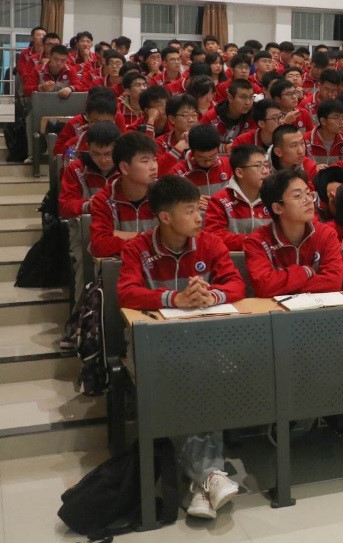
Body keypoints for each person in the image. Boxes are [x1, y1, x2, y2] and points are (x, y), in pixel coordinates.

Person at [115, 175, 244, 521]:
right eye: (190, 211)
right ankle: (211, 475)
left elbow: (236, 283)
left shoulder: (210, 243)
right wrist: (175, 298)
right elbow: (126, 292)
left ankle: (201, 485)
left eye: (198, 209)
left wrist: (211, 295)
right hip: (151, 347)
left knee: (208, 378)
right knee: (181, 381)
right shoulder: (138, 249)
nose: (199, 217)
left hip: (201, 345)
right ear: (165, 217)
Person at [243, 169, 343, 297]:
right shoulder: (257, 242)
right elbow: (263, 286)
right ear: (277, 208)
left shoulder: (326, 234)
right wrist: (305, 272)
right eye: (298, 196)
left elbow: (333, 282)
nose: (309, 200)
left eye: (308, 193)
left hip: (320, 307)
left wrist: (283, 287)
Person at [89, 132, 160, 258]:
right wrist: (147, 237)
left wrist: (121, 235)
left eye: (154, 160)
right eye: (145, 161)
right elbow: (99, 245)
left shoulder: (165, 193)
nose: (154, 167)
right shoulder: (104, 199)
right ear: (125, 168)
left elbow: (175, 239)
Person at [204, 145, 271, 251]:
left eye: (266, 165)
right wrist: (252, 240)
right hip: (232, 259)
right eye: (259, 166)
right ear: (240, 172)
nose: (266, 171)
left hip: (268, 258)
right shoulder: (219, 201)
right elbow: (214, 236)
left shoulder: (274, 197)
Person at [59, 122, 120, 219]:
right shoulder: (76, 168)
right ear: (88, 147)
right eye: (95, 154)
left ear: (118, 149)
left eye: (108, 154)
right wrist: (88, 205)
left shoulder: (127, 168)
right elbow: (65, 206)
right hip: (87, 225)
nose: (103, 160)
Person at [168, 125, 234, 204]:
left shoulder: (229, 165)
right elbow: (169, 199)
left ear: (218, 149)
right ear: (192, 151)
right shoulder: (178, 171)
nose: (208, 162)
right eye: (201, 158)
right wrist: (191, 201)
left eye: (212, 156)